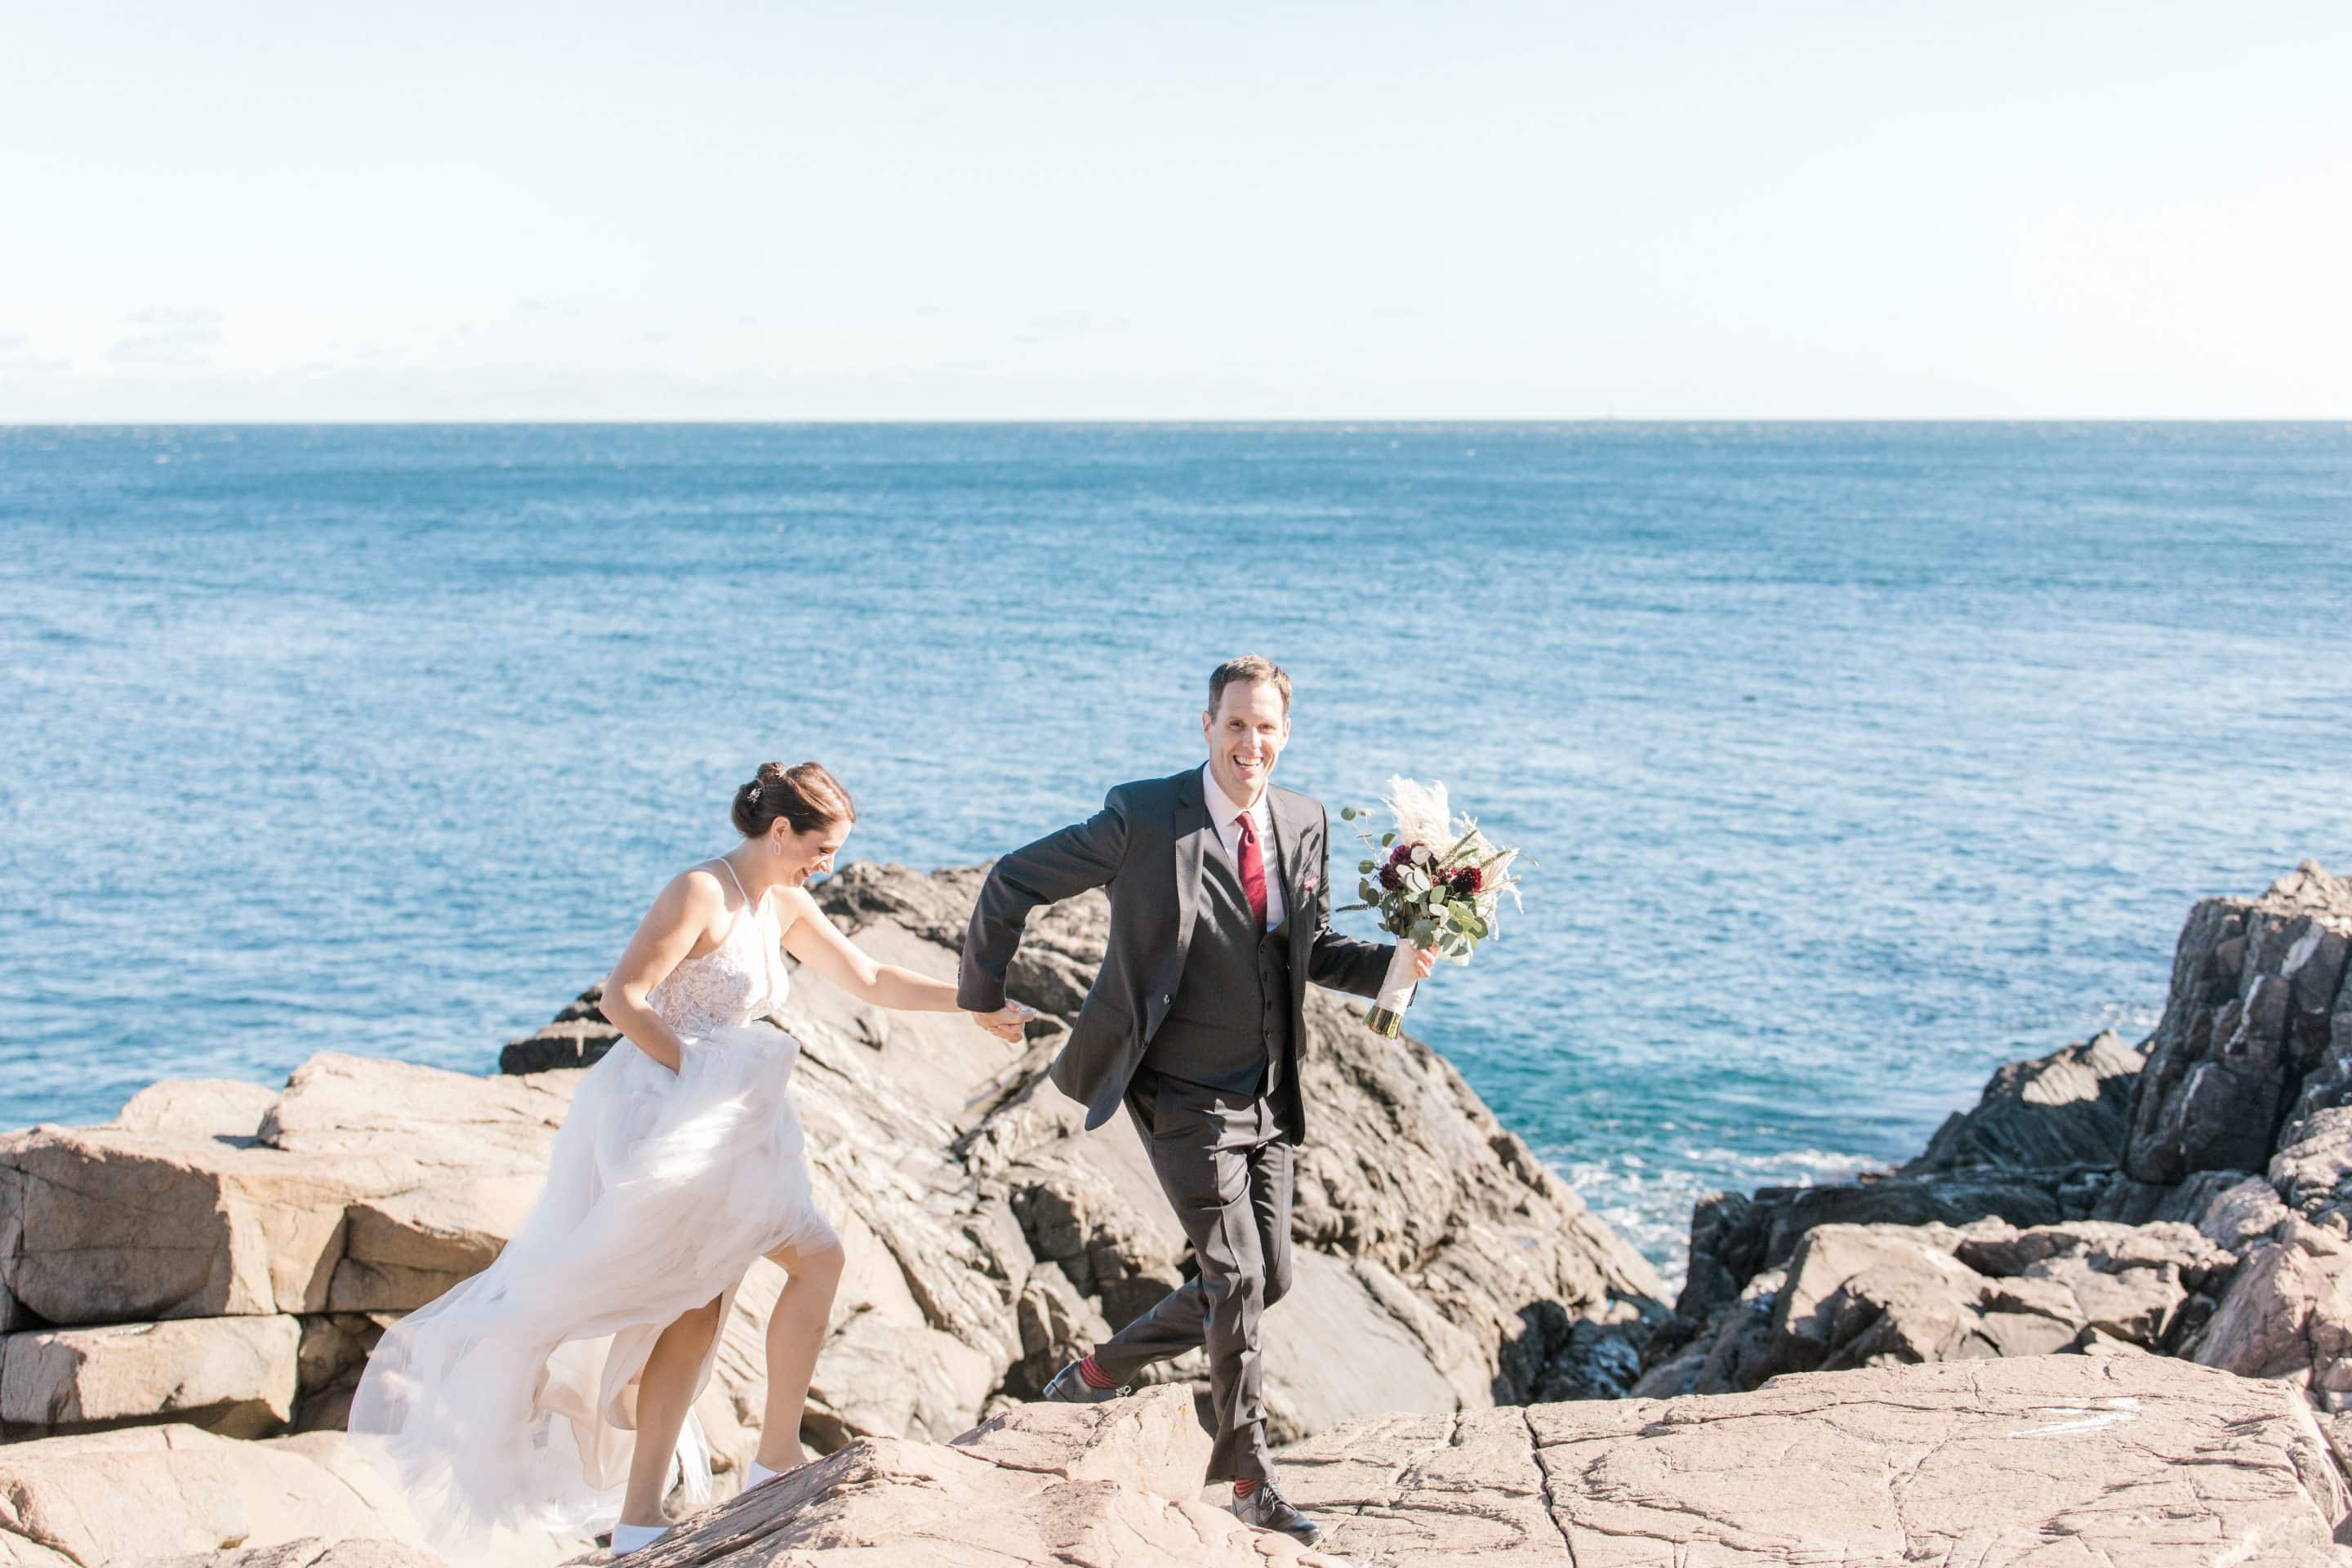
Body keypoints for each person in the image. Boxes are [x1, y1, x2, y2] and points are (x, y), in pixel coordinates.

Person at [350, 761, 1034, 1557]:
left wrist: (976, 1001)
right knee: (694, 1303)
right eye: (823, 847)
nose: (830, 864)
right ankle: (651, 1508)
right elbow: (622, 998)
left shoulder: (781, 901)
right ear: (780, 830)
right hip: (667, 1108)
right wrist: (697, 1079)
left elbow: (871, 977)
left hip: (737, 1115)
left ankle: (764, 1461)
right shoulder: (699, 893)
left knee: (808, 1262)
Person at [956, 656, 1436, 1547]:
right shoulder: (1142, 816)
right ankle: (1249, 1479)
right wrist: (982, 991)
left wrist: (1397, 965)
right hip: (1176, 1091)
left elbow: (1314, 948)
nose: (1251, 744)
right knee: (1236, 1277)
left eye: (1266, 728)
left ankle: (1098, 1372)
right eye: (1235, 726)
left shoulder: (1303, 820)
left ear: (1285, 734)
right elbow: (1011, 880)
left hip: (1268, 1091)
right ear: (1206, 727)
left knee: (1270, 1276)